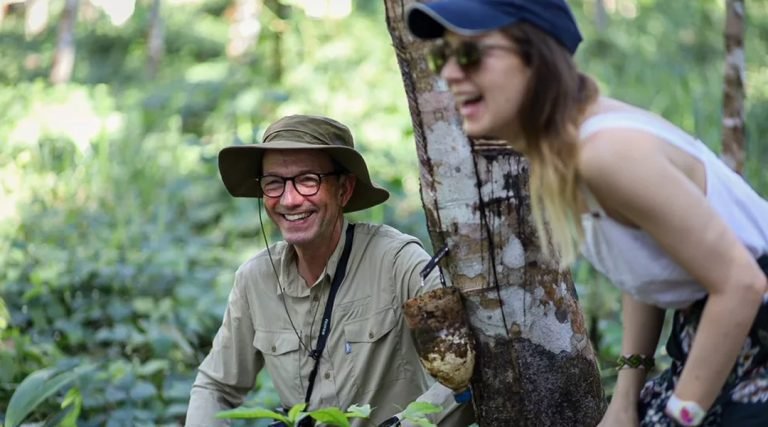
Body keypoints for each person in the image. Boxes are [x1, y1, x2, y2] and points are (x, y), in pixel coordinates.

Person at [405, 1, 768, 426]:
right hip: (718, 332)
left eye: (469, 53)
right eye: (442, 56)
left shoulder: (606, 152)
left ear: (535, 57)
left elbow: (742, 284)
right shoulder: (566, 147)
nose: (449, 73)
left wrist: (682, 416)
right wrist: (627, 391)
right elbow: (646, 255)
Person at [185, 114, 475, 427]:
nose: (290, 199)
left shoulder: (397, 262)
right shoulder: (255, 280)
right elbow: (215, 385)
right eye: (273, 183)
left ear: (344, 189)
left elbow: (466, 369)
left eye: (308, 180)